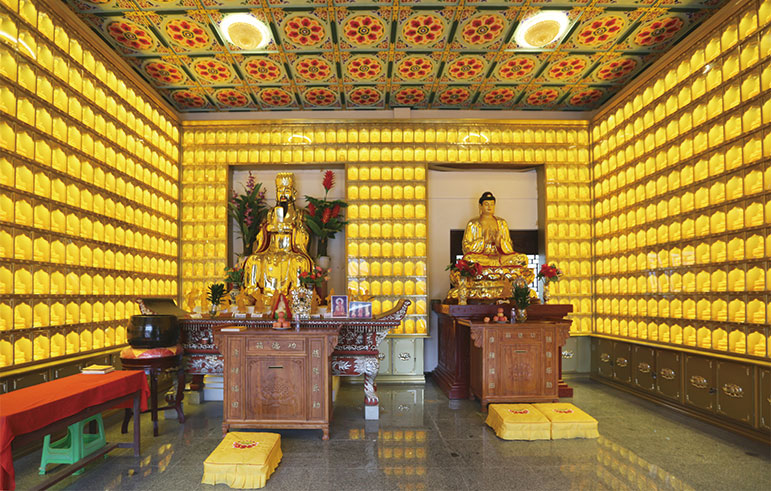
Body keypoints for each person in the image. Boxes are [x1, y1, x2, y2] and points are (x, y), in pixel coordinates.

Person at [243, 173, 313, 298]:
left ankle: (296, 295)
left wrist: (292, 229)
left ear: (294, 193)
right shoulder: (270, 214)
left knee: (299, 262)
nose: (283, 194)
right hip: (271, 250)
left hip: (291, 251)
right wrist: (267, 229)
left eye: (287, 190)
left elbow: (306, 236)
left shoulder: (300, 214)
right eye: (280, 190)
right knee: (254, 260)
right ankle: (253, 294)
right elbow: (260, 236)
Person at [461, 191, 528, 267]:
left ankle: (495, 264)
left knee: (522, 259)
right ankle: (497, 265)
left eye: (492, 204)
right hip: (482, 257)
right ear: (480, 206)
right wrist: (483, 241)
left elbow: (510, 246)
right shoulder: (473, 223)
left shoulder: (502, 223)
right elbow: (466, 247)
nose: (489, 207)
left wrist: (499, 242)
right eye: (486, 204)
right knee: (468, 259)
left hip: (500, 257)